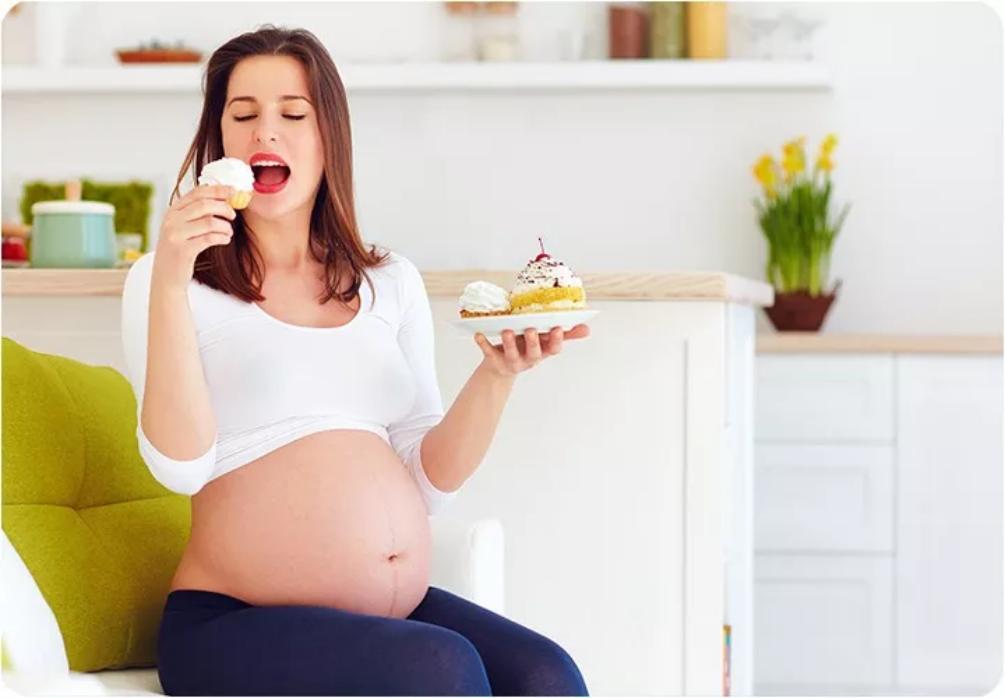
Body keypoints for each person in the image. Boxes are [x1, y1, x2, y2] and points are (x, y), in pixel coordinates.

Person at [120, 25, 590, 697]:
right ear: (218, 138)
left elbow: (427, 482)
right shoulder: (171, 280)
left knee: (546, 676)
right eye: (243, 114)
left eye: (292, 113)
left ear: (328, 137)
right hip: (230, 625)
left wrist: (497, 374)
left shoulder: (388, 280)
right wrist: (169, 275)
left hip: (387, 615)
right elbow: (178, 464)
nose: (266, 134)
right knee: (439, 668)